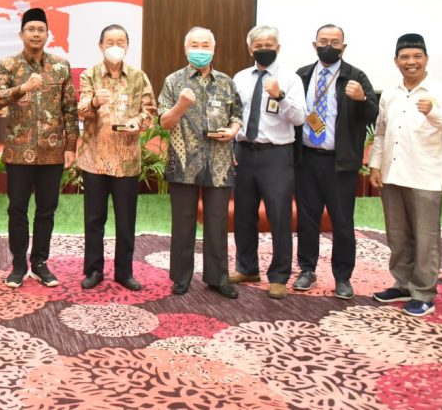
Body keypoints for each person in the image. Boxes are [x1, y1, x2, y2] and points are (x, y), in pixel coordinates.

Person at [369, 33, 442, 317]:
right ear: (396, 61)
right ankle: (402, 285)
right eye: (405, 57)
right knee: (397, 235)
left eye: (416, 56)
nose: (411, 62)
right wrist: (375, 165)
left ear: (426, 59)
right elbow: (381, 132)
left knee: (426, 238)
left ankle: (424, 293)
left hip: (425, 175)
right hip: (392, 174)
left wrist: (434, 113)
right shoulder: (390, 93)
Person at [0, 7, 79, 288]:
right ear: (22, 35)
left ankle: (40, 262)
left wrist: (71, 145)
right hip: (18, 152)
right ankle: (19, 264)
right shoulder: (8, 65)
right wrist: (23, 88)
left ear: (47, 34)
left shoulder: (61, 66)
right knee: (17, 209)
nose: (36, 34)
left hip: (52, 152)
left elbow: (70, 109)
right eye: (31, 29)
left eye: (41, 29)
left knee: (46, 210)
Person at [293, 24, 378, 300]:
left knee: (342, 222)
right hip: (307, 159)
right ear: (314, 44)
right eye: (323, 41)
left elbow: (373, 115)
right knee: (307, 219)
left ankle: (342, 277)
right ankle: (307, 270)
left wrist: (362, 99)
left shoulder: (356, 76)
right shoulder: (302, 75)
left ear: (344, 47)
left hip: (340, 164)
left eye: (335, 41)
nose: (329, 45)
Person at [158, 27, 242, 299]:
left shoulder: (226, 82)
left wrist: (232, 131)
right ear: (186, 49)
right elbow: (164, 122)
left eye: (205, 45)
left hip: (219, 163)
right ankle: (181, 277)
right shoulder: (174, 81)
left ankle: (218, 278)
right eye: (195, 45)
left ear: (213, 49)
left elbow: (237, 115)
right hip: (184, 163)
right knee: (183, 223)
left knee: (217, 222)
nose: (200, 50)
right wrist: (181, 105)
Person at [230, 25, 307, 299]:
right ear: (250, 49)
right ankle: (247, 267)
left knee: (279, 216)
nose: (264, 49)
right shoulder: (240, 78)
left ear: (278, 48)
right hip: (243, 152)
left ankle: (279, 276)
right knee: (243, 214)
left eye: (270, 45)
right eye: (259, 45)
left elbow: (300, 118)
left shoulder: (290, 79)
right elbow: (233, 115)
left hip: (276, 155)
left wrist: (280, 96)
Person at [76, 24, 155, 291]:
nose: (115, 47)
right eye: (110, 42)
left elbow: (149, 111)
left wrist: (137, 122)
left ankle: (124, 271)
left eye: (120, 42)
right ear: (101, 46)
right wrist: (94, 102)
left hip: (126, 160)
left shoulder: (138, 77)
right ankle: (94, 270)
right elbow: (81, 111)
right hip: (95, 159)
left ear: (127, 46)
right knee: (94, 219)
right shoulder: (90, 75)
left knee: (125, 221)